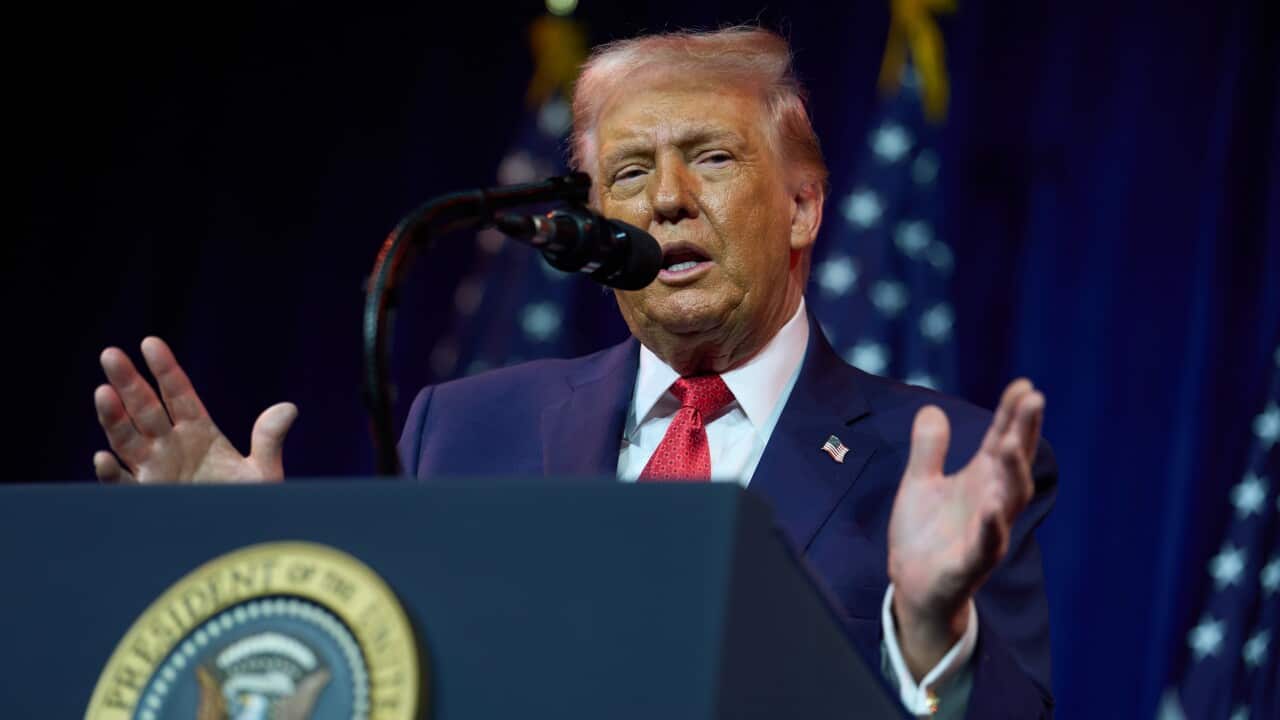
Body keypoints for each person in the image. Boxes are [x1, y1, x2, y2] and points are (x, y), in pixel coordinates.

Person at [92, 27, 1055, 718]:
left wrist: (934, 636)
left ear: (803, 207)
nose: (668, 202)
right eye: (630, 174)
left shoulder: (952, 464)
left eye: (711, 158)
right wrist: (266, 576)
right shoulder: (465, 430)